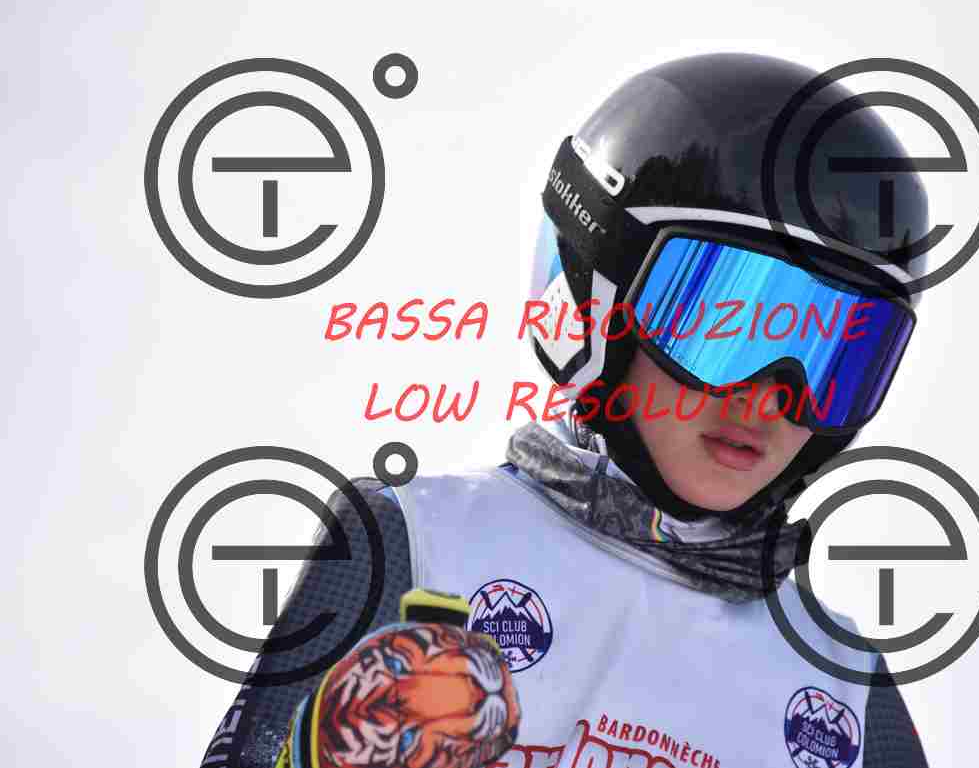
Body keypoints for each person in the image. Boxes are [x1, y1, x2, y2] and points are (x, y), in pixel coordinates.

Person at [201, 52, 930, 768]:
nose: (770, 396)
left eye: (836, 358)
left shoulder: (844, 687)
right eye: (724, 329)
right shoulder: (419, 542)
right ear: (598, 303)